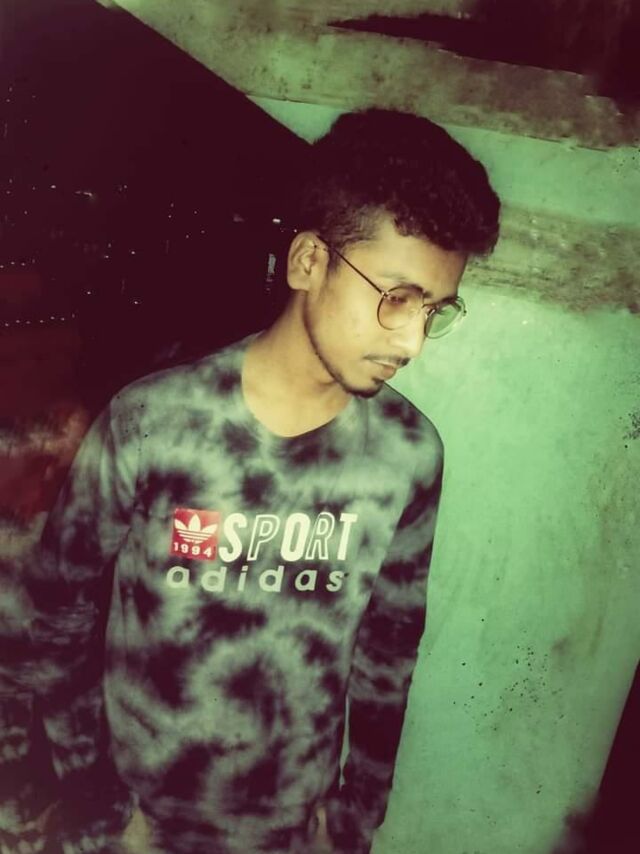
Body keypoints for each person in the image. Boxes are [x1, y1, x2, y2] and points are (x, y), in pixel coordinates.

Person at [12, 108, 500, 854]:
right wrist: (93, 797)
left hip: (291, 831)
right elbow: (55, 614)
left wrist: (356, 817)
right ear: (308, 261)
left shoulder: (408, 457)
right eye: (396, 297)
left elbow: (388, 653)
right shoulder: (154, 422)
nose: (412, 340)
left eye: (433, 310)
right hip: (138, 824)